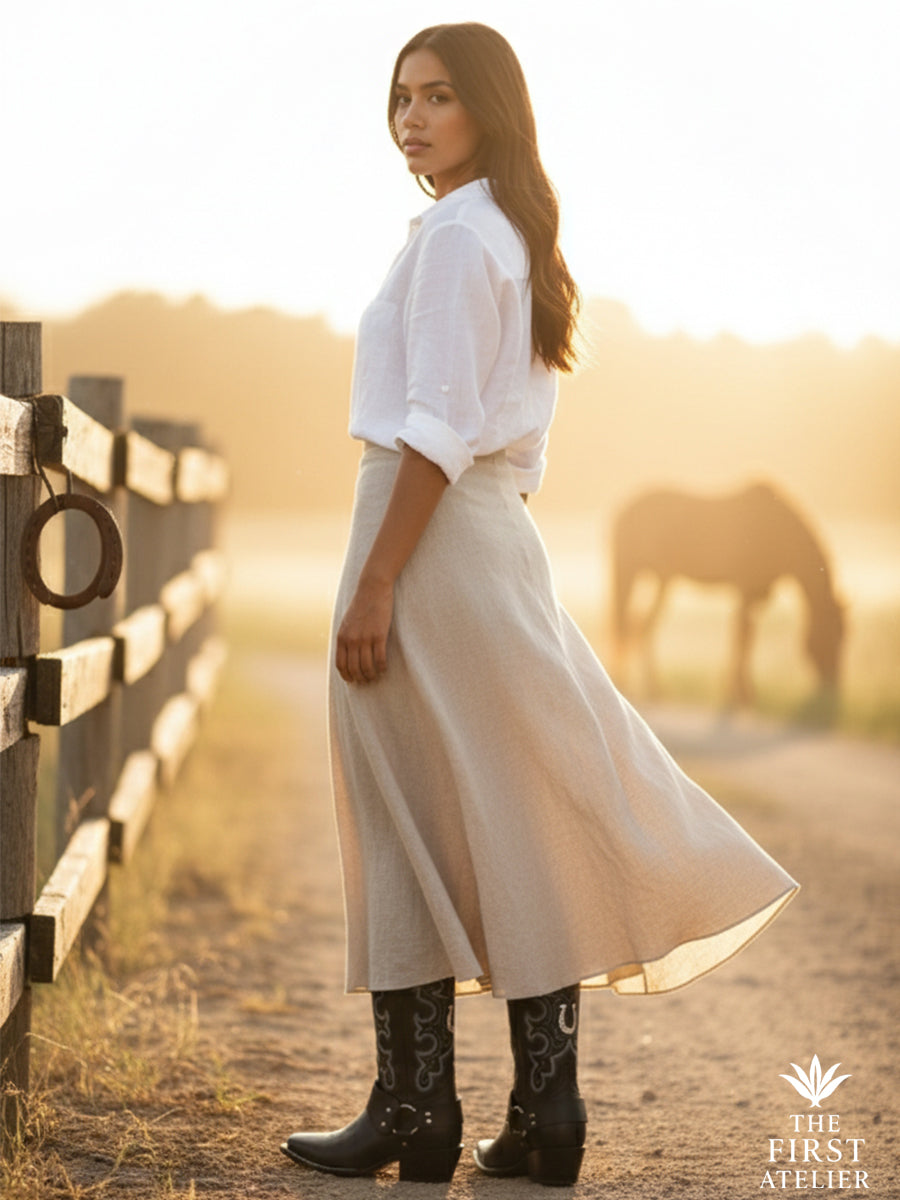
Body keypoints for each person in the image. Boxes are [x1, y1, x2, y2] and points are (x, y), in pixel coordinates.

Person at [281, 21, 798, 1187]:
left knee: (404, 811)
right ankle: (542, 1117)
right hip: (486, 541)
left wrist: (375, 580)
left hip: (425, 539)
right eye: (401, 96)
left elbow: (437, 430)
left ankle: (417, 1111)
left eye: (440, 96)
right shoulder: (500, 230)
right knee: (515, 817)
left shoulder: (463, 239)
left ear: (491, 111)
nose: (413, 117)